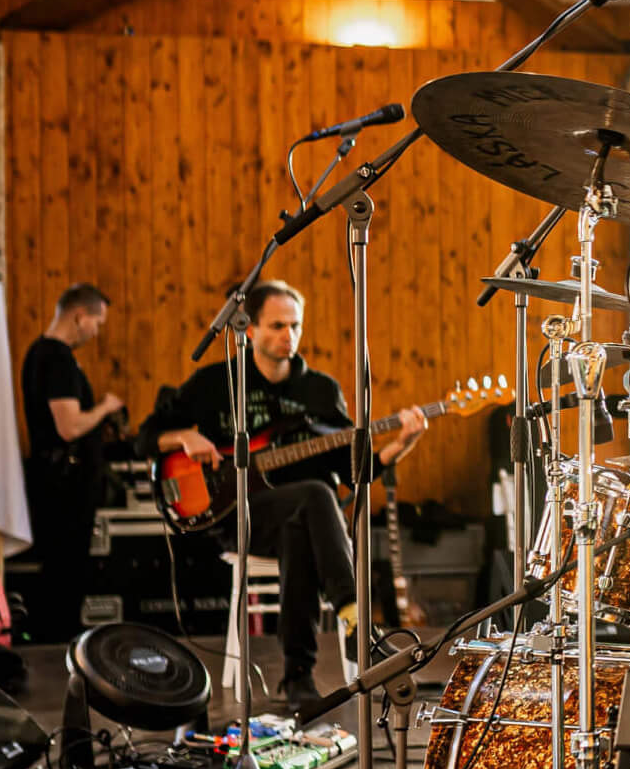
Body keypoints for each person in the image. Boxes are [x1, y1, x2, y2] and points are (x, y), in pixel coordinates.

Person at [147, 281, 428, 709]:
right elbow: (146, 436)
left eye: (295, 326)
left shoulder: (319, 391)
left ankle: (299, 679)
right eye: (277, 326)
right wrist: (184, 437)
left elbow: (357, 471)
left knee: (303, 521)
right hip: (234, 514)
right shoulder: (217, 382)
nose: (289, 335)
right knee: (315, 497)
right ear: (249, 329)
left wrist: (403, 443)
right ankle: (357, 626)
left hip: (301, 520)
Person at [20, 285, 125, 644]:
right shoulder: (58, 359)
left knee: (59, 569)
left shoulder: (38, 353)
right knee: (66, 571)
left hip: (54, 480)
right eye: (97, 322)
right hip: (65, 486)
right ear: (80, 316)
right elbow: (69, 426)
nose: (97, 331)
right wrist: (105, 408)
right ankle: (59, 645)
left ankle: (56, 640)